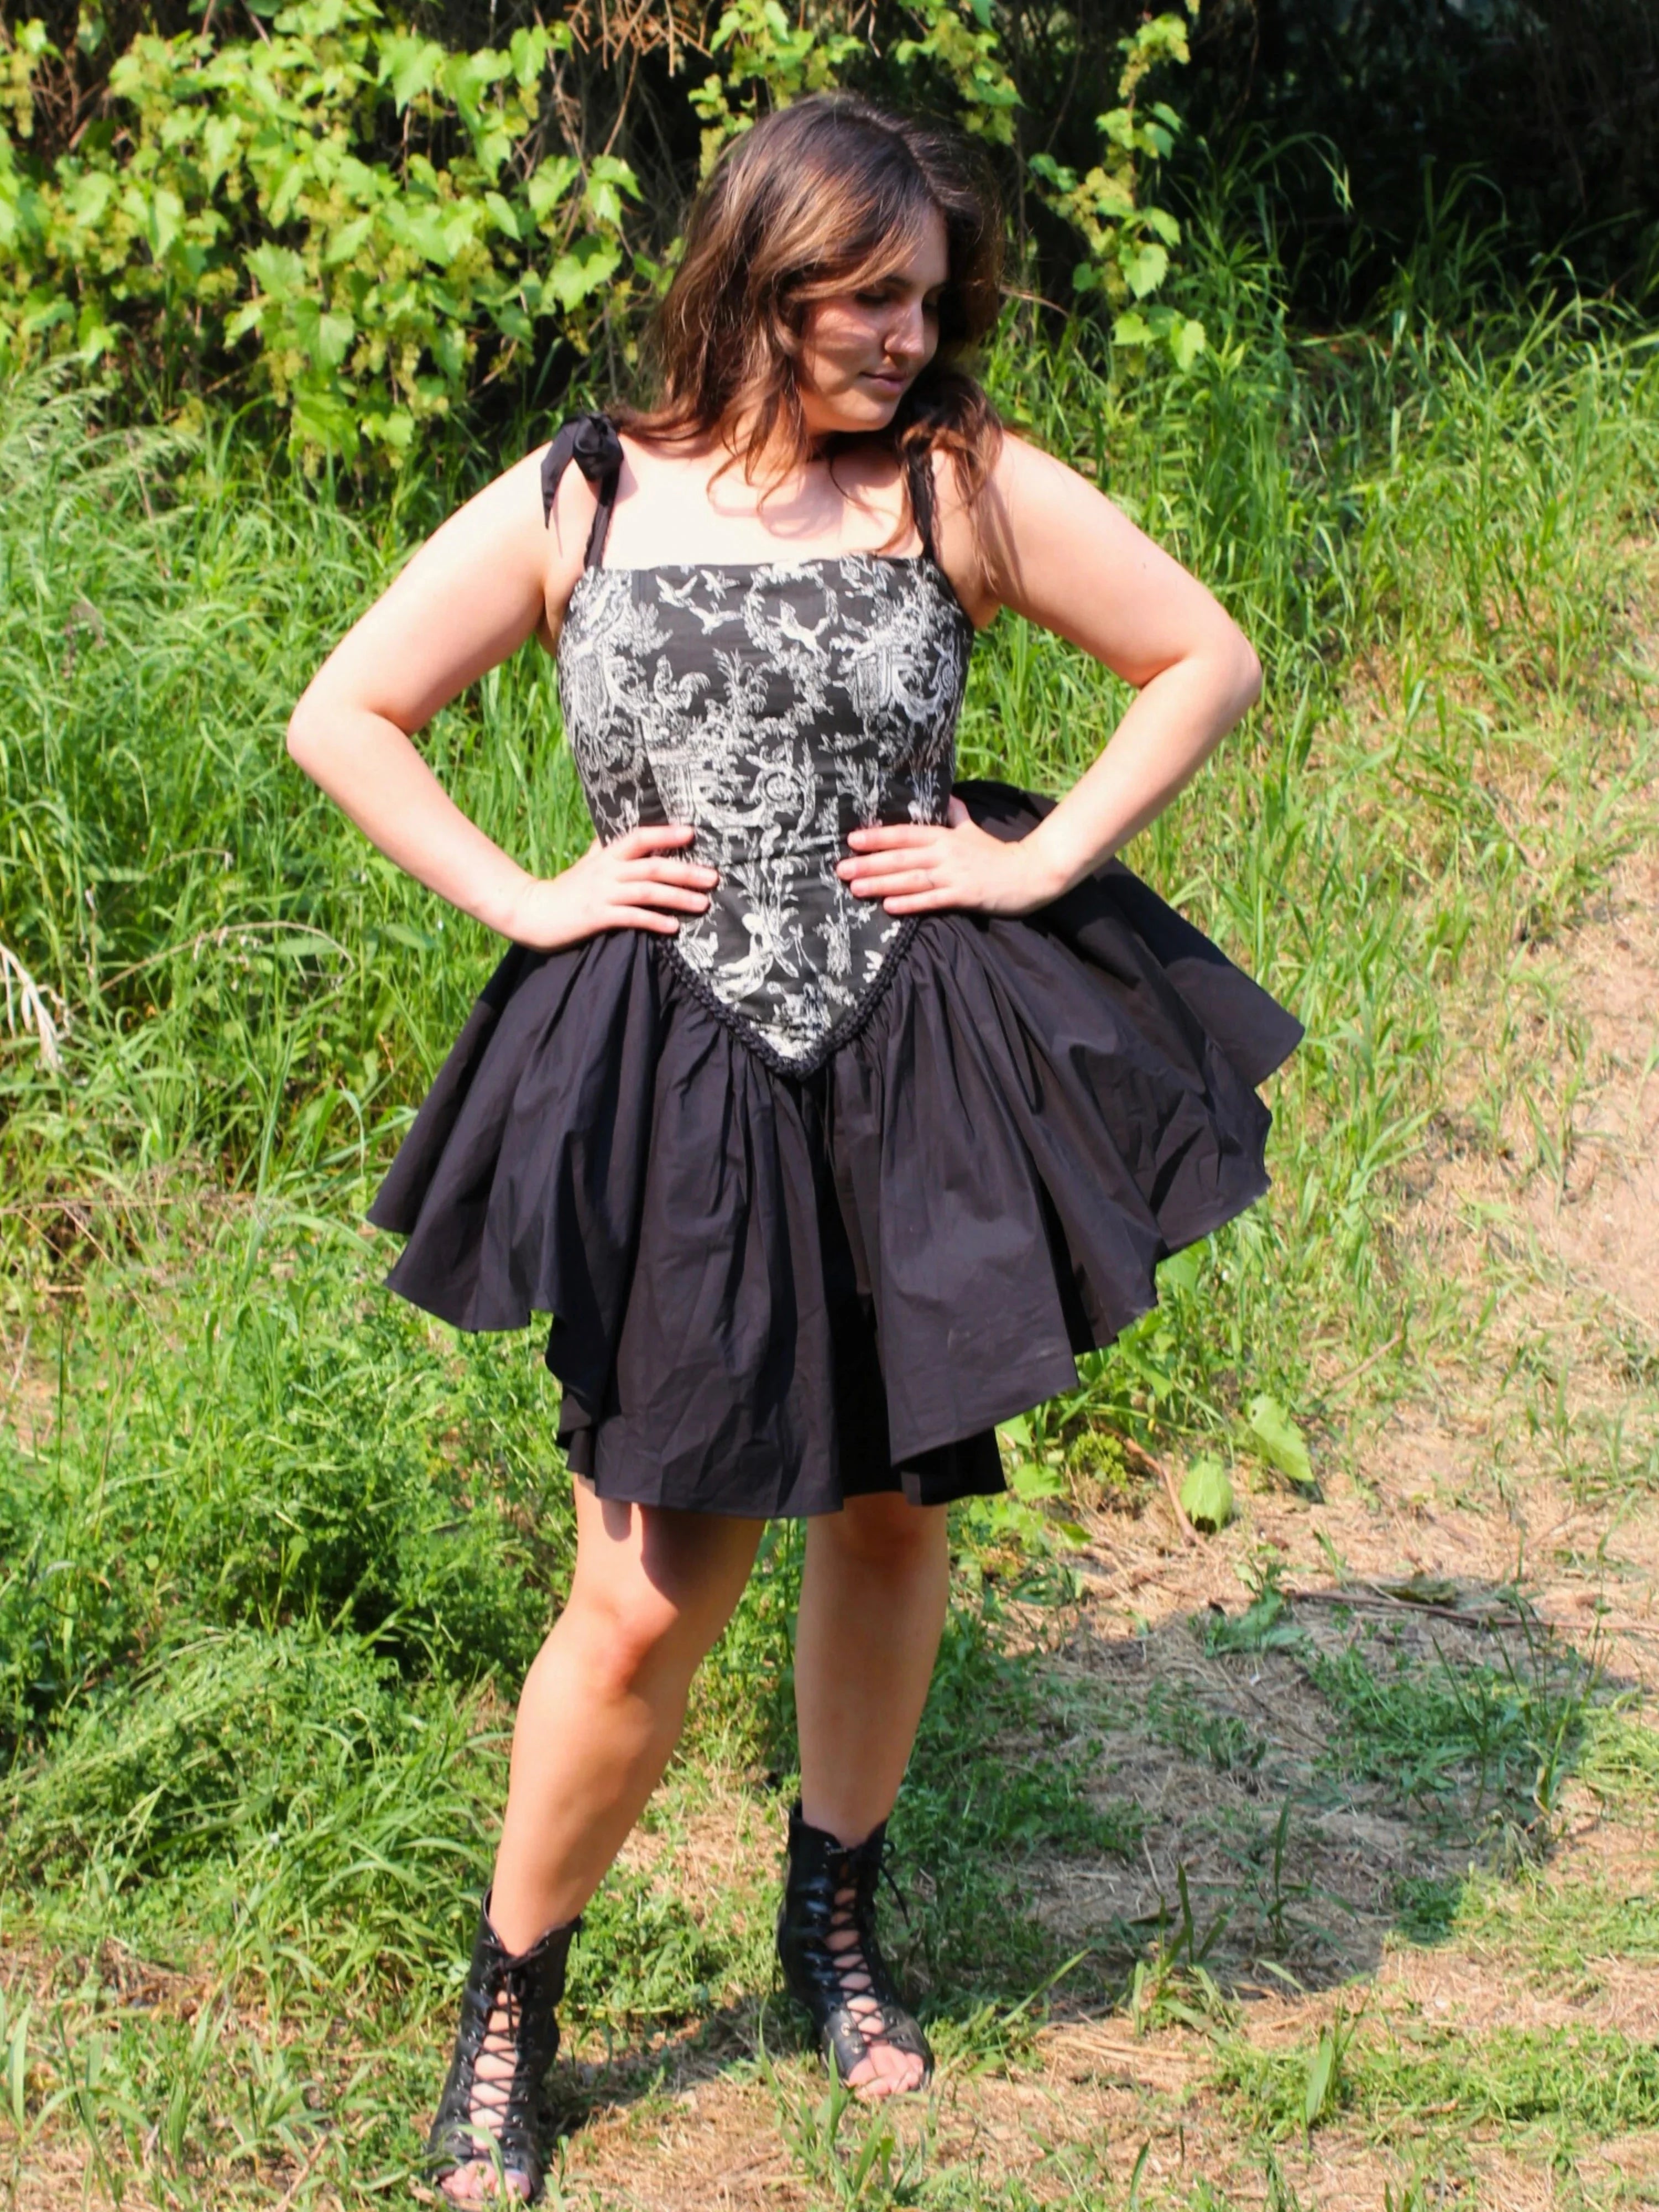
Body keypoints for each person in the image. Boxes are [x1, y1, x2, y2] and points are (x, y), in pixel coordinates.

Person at [288, 90, 1301, 2206]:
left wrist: (1033, 869)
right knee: (647, 1589)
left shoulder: (955, 482)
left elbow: (1205, 655)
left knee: (892, 1516)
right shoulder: (583, 492)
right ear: (759, 270)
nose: (911, 335)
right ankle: (513, 2002)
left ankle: (832, 1917)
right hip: (673, 1077)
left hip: (914, 1059)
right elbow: (346, 709)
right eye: (871, 294)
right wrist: (530, 895)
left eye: (933, 299)